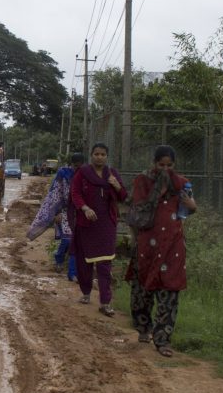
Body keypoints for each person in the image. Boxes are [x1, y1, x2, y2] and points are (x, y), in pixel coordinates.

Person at [126, 145, 197, 357]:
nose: (165, 169)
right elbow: (135, 212)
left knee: (170, 289)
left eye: (169, 165)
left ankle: (163, 339)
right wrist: (134, 239)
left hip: (172, 243)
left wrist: (192, 205)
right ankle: (143, 328)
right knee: (143, 287)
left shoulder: (182, 183)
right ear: (154, 163)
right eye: (161, 164)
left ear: (174, 165)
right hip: (147, 241)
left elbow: (188, 211)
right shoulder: (143, 181)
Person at [69, 142, 127, 317]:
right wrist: (85, 208)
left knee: (105, 263)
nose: (99, 157)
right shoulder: (83, 173)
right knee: (85, 261)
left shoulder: (112, 174)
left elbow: (124, 196)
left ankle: (105, 302)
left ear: (107, 156)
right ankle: (86, 293)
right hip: (86, 224)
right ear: (91, 155)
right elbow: (75, 194)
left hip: (106, 224)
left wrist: (116, 185)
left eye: (103, 154)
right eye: (96, 154)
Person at [27, 153, 85, 281]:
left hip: (80, 212)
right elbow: (55, 195)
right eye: (76, 166)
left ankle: (72, 273)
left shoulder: (86, 176)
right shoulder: (63, 175)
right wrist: (56, 212)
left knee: (77, 243)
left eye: (80, 166)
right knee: (67, 240)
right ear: (71, 164)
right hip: (64, 211)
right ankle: (59, 259)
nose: (78, 169)